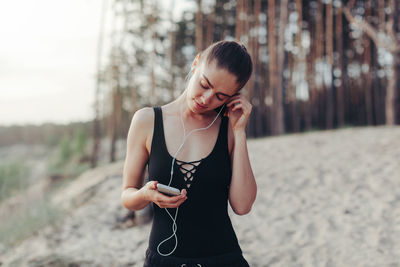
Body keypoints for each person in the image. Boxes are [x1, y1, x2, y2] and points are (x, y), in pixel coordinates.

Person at [121, 40, 257, 267]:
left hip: (223, 259)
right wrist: (146, 195)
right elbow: (127, 196)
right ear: (195, 64)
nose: (206, 99)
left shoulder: (230, 129)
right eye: (204, 84)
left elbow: (242, 206)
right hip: (163, 261)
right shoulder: (147, 121)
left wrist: (240, 132)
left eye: (220, 97)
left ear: (233, 97)